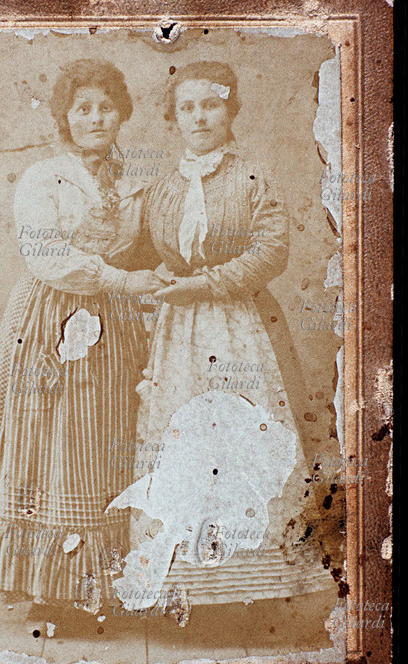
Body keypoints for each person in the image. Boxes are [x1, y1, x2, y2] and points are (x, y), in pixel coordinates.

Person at [0, 59, 166, 620]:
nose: (96, 118)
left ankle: (107, 586)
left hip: (117, 326)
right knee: (51, 443)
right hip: (49, 321)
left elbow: (150, 247)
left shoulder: (136, 180)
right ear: (66, 118)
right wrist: (122, 278)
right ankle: (49, 588)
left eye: (106, 107)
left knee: (104, 441)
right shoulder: (43, 178)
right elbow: (48, 256)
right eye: (83, 109)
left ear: (122, 113)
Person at [134, 61, 333, 606]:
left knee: (242, 437)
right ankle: (183, 590)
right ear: (173, 118)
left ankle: (253, 586)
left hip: (241, 326)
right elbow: (144, 249)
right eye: (187, 107)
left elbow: (271, 251)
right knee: (185, 441)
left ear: (231, 111)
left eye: (211, 105)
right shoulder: (161, 188)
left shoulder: (252, 177)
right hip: (178, 334)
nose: (199, 117)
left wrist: (204, 285)